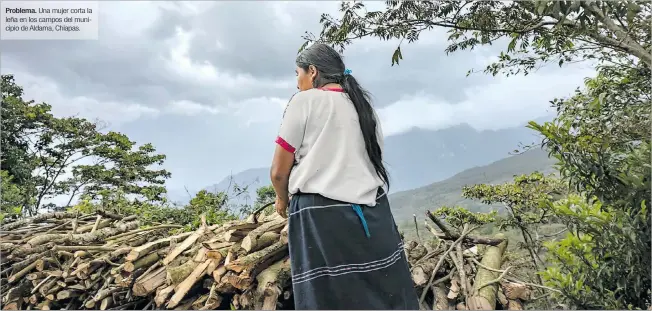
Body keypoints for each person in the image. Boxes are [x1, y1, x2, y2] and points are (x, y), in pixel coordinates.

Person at [269, 43, 419, 310]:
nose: (297, 82)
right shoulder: (363, 106)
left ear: (312, 71)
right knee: (382, 292)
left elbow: (279, 172)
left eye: (297, 74)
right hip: (373, 213)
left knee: (327, 297)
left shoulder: (304, 101)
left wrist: (282, 200)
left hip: (321, 215)